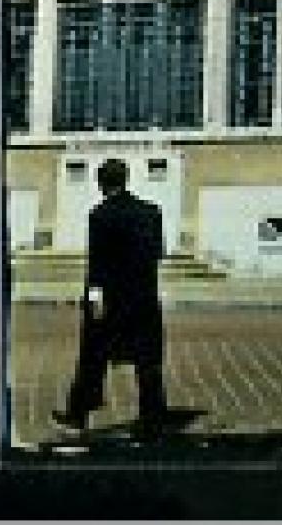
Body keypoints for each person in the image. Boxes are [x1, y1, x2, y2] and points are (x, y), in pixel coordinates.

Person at [54, 159, 170, 434]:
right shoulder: (151, 212)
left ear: (101, 183)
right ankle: (153, 417)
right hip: (143, 298)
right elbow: (158, 253)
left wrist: (93, 297)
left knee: (92, 358)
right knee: (148, 361)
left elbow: (98, 264)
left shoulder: (100, 215)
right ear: (126, 179)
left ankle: (79, 413)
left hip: (112, 301)